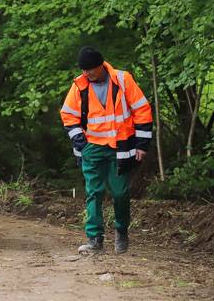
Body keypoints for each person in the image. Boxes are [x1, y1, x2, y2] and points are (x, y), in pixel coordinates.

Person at [59, 46, 154, 255]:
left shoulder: (122, 80)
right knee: (94, 192)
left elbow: (142, 110)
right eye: (83, 70)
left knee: (120, 193)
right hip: (92, 148)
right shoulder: (79, 85)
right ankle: (95, 239)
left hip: (120, 147)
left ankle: (121, 230)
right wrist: (80, 143)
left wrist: (142, 144)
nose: (86, 73)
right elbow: (68, 114)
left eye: (90, 69)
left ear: (101, 65)